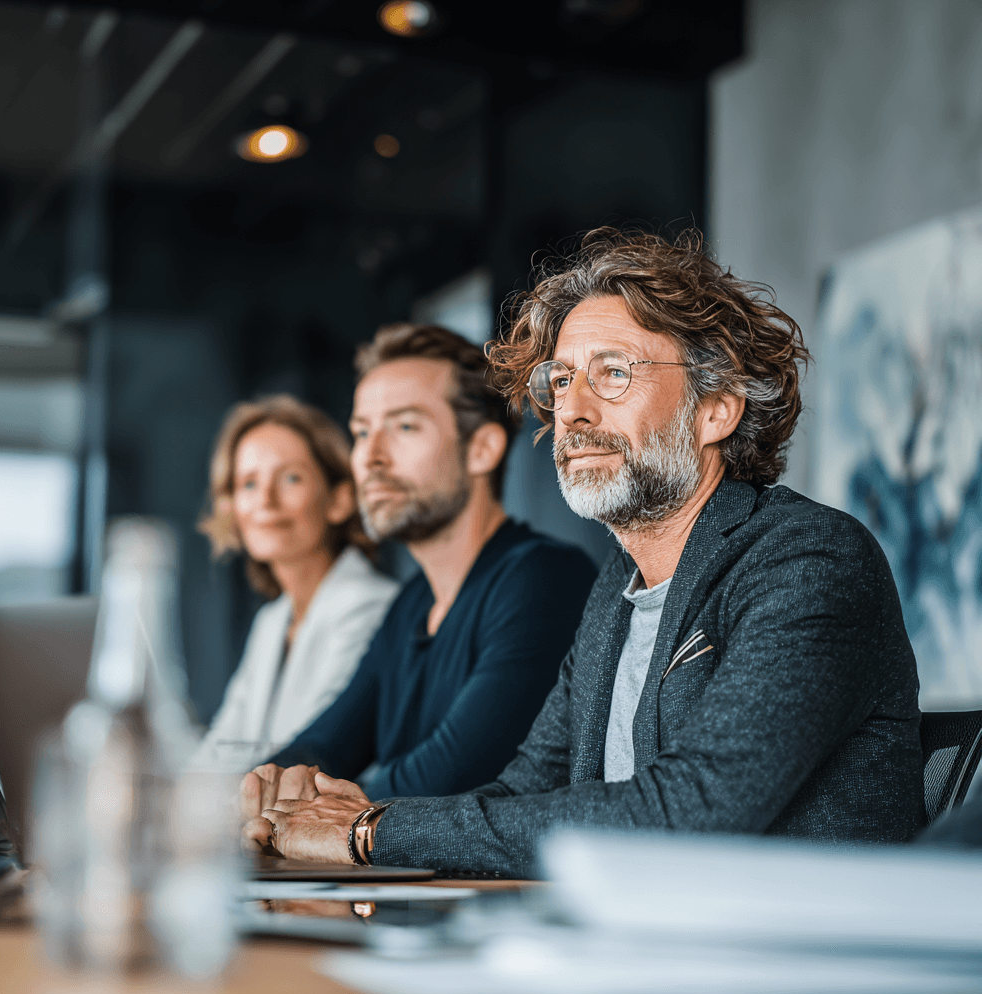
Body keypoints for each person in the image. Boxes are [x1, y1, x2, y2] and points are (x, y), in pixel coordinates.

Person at [241, 229, 925, 877]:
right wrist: (354, 821)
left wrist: (370, 832)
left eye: (613, 373)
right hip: (644, 961)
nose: (571, 410)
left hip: (801, 980)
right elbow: (520, 793)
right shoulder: (617, 590)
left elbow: (695, 808)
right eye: (561, 380)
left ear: (716, 408)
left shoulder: (809, 560)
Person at [241, 324, 597, 802]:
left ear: (482, 449)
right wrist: (257, 792)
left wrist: (308, 805)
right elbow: (322, 747)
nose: (371, 457)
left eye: (405, 426)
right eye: (362, 432)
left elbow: (448, 782)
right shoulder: (411, 605)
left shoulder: (544, 581)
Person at [194, 395, 399, 769]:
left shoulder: (372, 608)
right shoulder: (273, 621)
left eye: (290, 478)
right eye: (249, 483)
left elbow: (305, 758)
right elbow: (220, 748)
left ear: (339, 500)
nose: (266, 502)